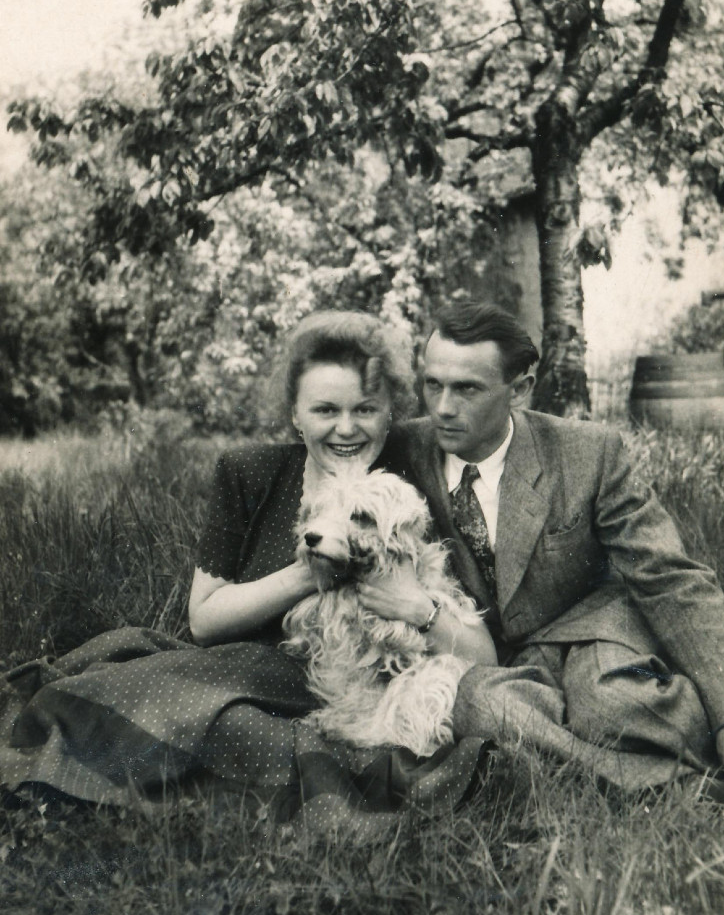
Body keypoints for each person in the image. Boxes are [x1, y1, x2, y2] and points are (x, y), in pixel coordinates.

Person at [0, 311, 495, 825]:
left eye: (366, 409)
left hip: (338, 687)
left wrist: (416, 604)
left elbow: (482, 651)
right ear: (295, 415)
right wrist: (309, 573)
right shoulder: (250, 473)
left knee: (239, 731)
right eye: (325, 409)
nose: (346, 429)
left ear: (391, 412)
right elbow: (204, 621)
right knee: (97, 692)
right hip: (238, 663)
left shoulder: (406, 492)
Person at [389, 298, 724, 818]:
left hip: (587, 631)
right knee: (480, 709)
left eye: (467, 388)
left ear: (520, 388)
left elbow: (671, 580)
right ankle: (689, 787)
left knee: (614, 704)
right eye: (433, 384)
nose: (443, 407)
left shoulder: (588, 452)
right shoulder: (402, 450)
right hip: (494, 662)